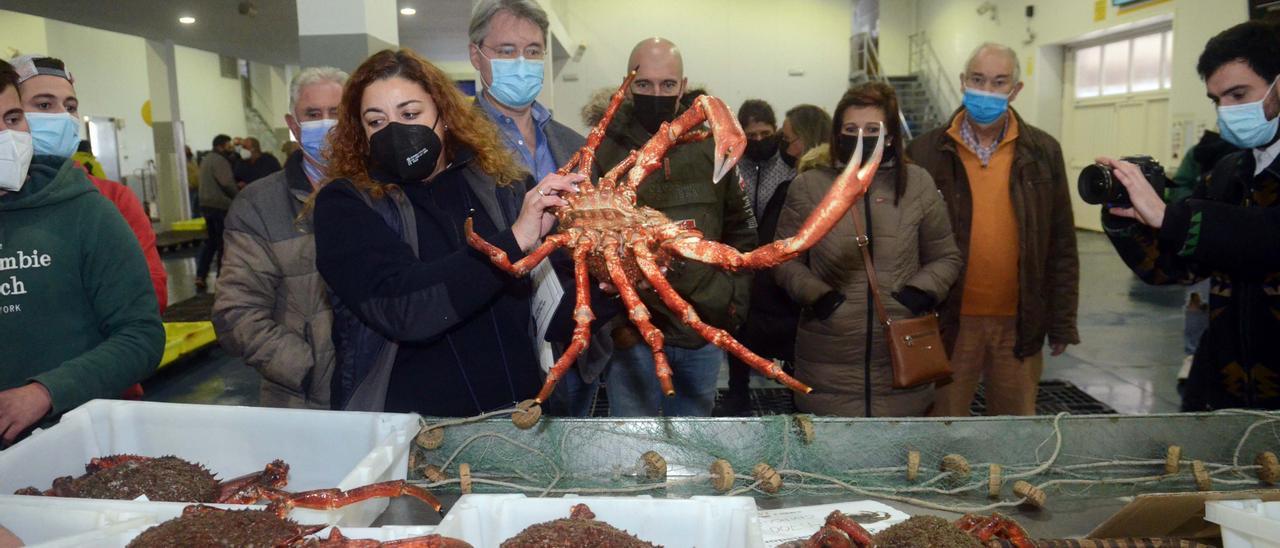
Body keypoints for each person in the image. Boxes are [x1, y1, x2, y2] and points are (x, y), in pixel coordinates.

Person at [312, 49, 587, 415]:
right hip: (416, 432)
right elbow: (405, 308)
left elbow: (551, 305)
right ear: (360, 134)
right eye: (376, 122)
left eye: (410, 114)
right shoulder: (346, 205)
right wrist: (513, 241)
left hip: (519, 418)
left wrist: (607, 284)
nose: (394, 131)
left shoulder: (501, 187)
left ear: (444, 115)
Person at [1099, 21, 1280, 410]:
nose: (1226, 111)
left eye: (1238, 94)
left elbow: (1268, 238)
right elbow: (1175, 268)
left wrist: (1171, 218)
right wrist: (1125, 218)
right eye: (1217, 100)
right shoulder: (1228, 172)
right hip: (1222, 390)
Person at [908, 43, 1079, 417]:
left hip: (1019, 322)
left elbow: (1061, 242)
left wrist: (1062, 321)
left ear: (1015, 90)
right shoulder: (924, 152)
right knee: (943, 429)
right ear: (962, 82)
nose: (986, 90)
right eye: (978, 79)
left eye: (999, 82)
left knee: (1015, 432)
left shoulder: (1043, 151)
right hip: (948, 322)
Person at [592, 38, 757, 417]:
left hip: (703, 333)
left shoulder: (712, 146)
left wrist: (731, 305)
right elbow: (590, 246)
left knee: (694, 449)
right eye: (644, 84)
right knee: (633, 452)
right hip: (634, 339)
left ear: (683, 86)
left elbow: (743, 229)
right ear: (627, 83)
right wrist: (618, 326)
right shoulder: (605, 148)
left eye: (668, 85)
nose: (656, 93)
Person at [773, 83, 961, 417]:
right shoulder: (809, 186)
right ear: (837, 134)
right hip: (829, 352)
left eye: (872, 129)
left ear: (890, 136)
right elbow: (784, 260)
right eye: (851, 129)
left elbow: (946, 256)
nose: (861, 137)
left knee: (898, 461)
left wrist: (920, 291)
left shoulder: (917, 184)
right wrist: (819, 297)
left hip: (900, 356)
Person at [0, 60, 162, 444]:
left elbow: (141, 332)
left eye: (12, 118)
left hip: (83, 443)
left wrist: (45, 392)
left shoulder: (86, 209)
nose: (6, 136)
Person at [468, 0, 613, 417]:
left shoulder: (572, 143)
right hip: (495, 341)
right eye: (507, 50)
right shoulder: (455, 143)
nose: (523, 62)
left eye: (532, 51)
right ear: (476, 55)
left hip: (573, 340)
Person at [212, 66, 348, 409]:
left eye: (337, 113)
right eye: (313, 114)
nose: (326, 123)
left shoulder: (386, 191)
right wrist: (312, 370)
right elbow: (236, 312)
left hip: (386, 393)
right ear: (293, 124)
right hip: (302, 401)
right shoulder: (259, 205)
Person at [11, 54, 167, 312]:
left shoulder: (111, 198)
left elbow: (150, 293)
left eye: (70, 107)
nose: (63, 118)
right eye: (45, 106)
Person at [718, 104, 830, 416]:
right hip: (767, 270)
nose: (779, 144)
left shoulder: (793, 179)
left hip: (782, 277)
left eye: (776, 136)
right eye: (750, 135)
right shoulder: (732, 166)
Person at [196, 133, 239, 291]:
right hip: (220, 206)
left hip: (206, 205)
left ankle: (200, 275)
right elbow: (226, 183)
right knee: (223, 243)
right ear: (221, 146)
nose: (231, 148)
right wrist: (239, 196)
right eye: (228, 145)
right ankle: (222, 278)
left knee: (210, 242)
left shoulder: (206, 159)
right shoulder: (220, 161)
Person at [185, 144, 200, 215]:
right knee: (191, 204)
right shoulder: (182, 161)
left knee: (197, 205)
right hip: (190, 187)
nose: (188, 150)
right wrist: (188, 183)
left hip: (198, 185)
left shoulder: (193, 159)